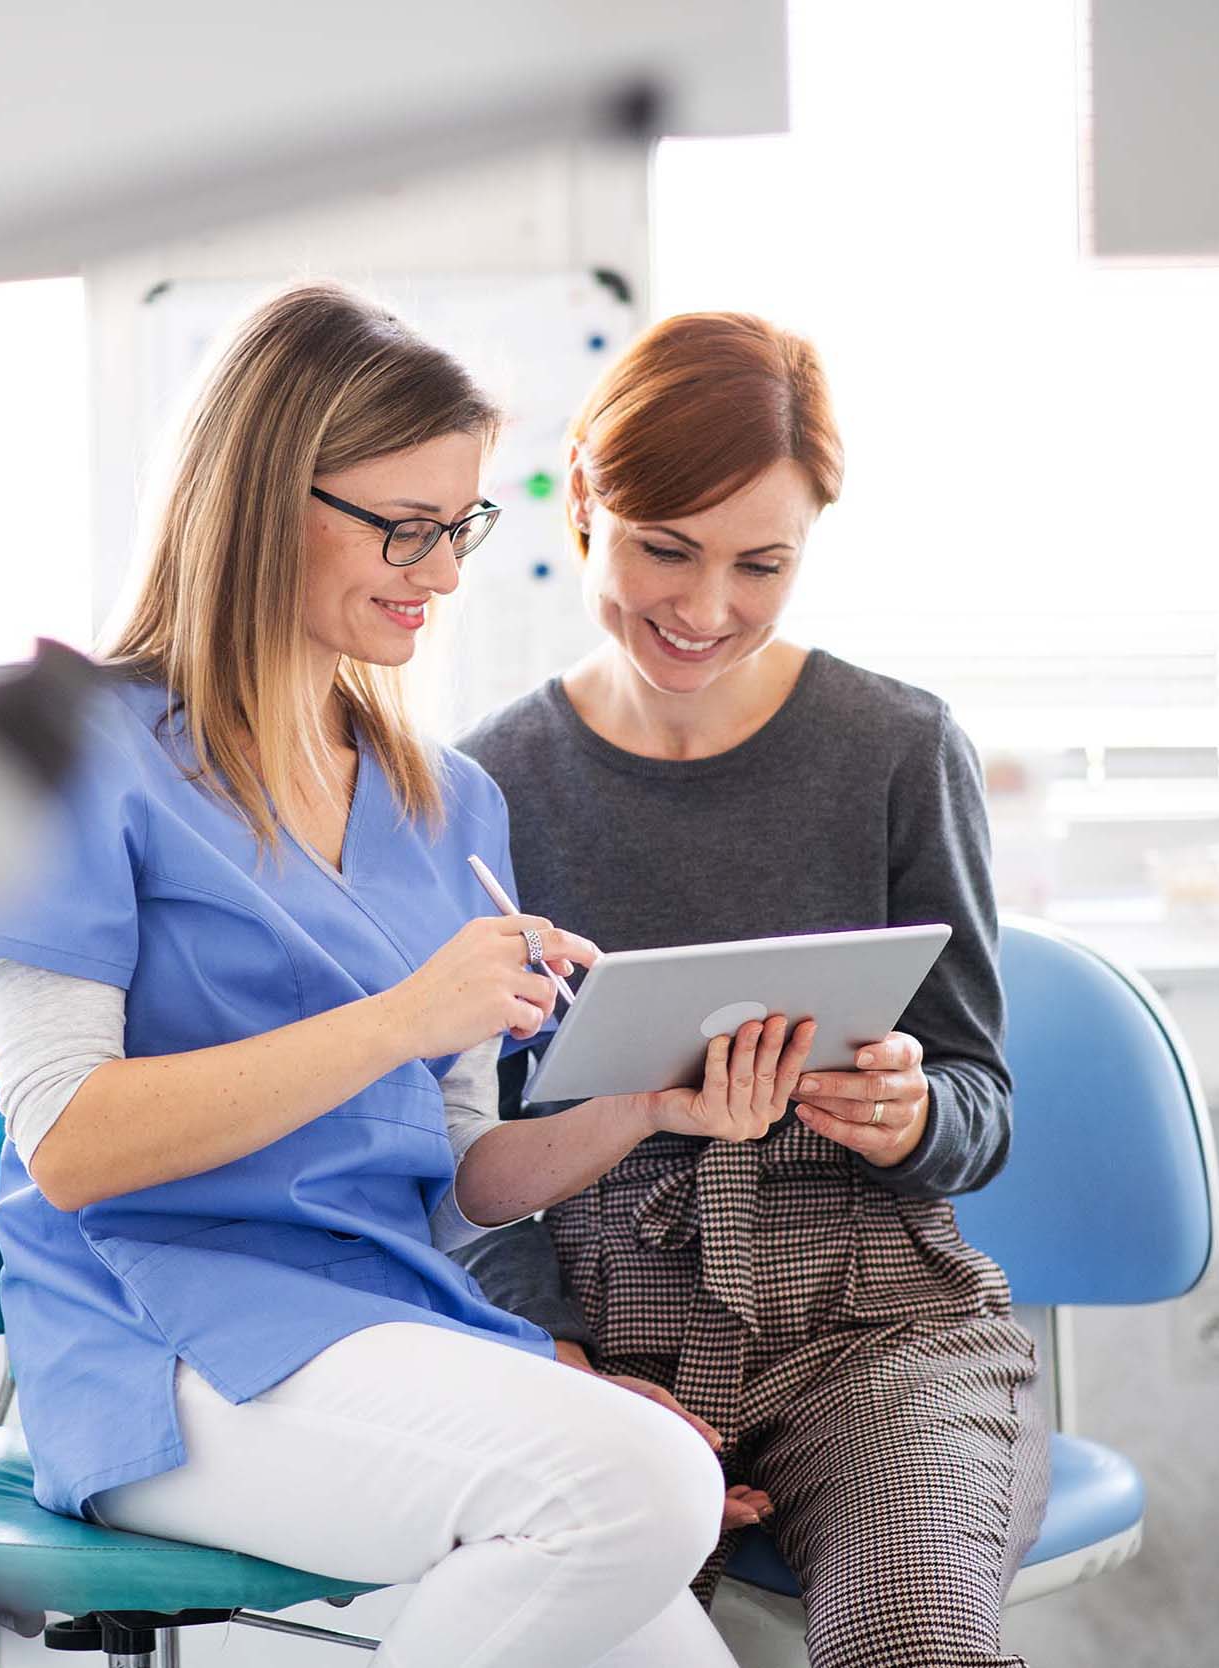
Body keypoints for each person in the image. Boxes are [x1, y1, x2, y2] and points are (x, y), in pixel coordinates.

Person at [0, 284, 823, 1667]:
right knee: (636, 1488)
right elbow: (67, 1145)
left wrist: (642, 1113)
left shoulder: (446, 805)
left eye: (459, 526)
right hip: (156, 1346)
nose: (442, 571)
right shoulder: (65, 759)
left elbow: (465, 1171)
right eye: (404, 529)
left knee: (672, 1609)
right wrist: (404, 1017)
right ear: (253, 500)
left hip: (383, 1318)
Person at [453, 311, 1052, 1668]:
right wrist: (562, 1368)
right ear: (587, 497)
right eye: (664, 548)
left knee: (910, 1644)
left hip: (874, 1324)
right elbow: (459, 1165)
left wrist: (910, 1118)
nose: (703, 608)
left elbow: (975, 1101)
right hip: (603, 1333)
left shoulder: (896, 748)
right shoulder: (481, 790)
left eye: (760, 564)